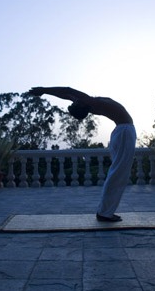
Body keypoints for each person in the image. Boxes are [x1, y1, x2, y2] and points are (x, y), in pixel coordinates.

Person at [28, 86, 136, 222]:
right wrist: (44, 89)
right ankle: (105, 213)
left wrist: (46, 92)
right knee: (118, 174)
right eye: (75, 103)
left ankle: (105, 211)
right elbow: (69, 90)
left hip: (122, 131)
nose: (74, 101)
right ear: (82, 105)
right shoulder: (93, 103)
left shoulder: (88, 103)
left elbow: (66, 95)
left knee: (117, 173)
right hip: (124, 132)